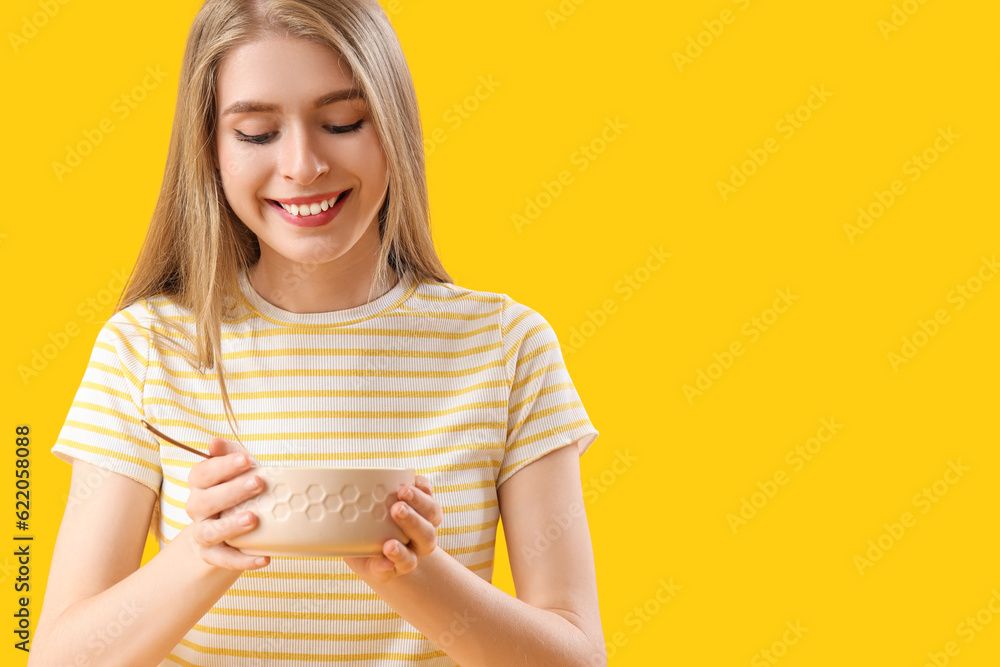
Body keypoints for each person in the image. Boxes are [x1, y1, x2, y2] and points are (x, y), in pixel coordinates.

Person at [29, 1, 604, 665]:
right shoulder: (145, 347)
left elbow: (577, 657)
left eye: (341, 122)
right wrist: (206, 549)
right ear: (211, 149)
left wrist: (414, 572)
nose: (303, 165)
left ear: (393, 127)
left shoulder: (506, 347)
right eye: (255, 133)